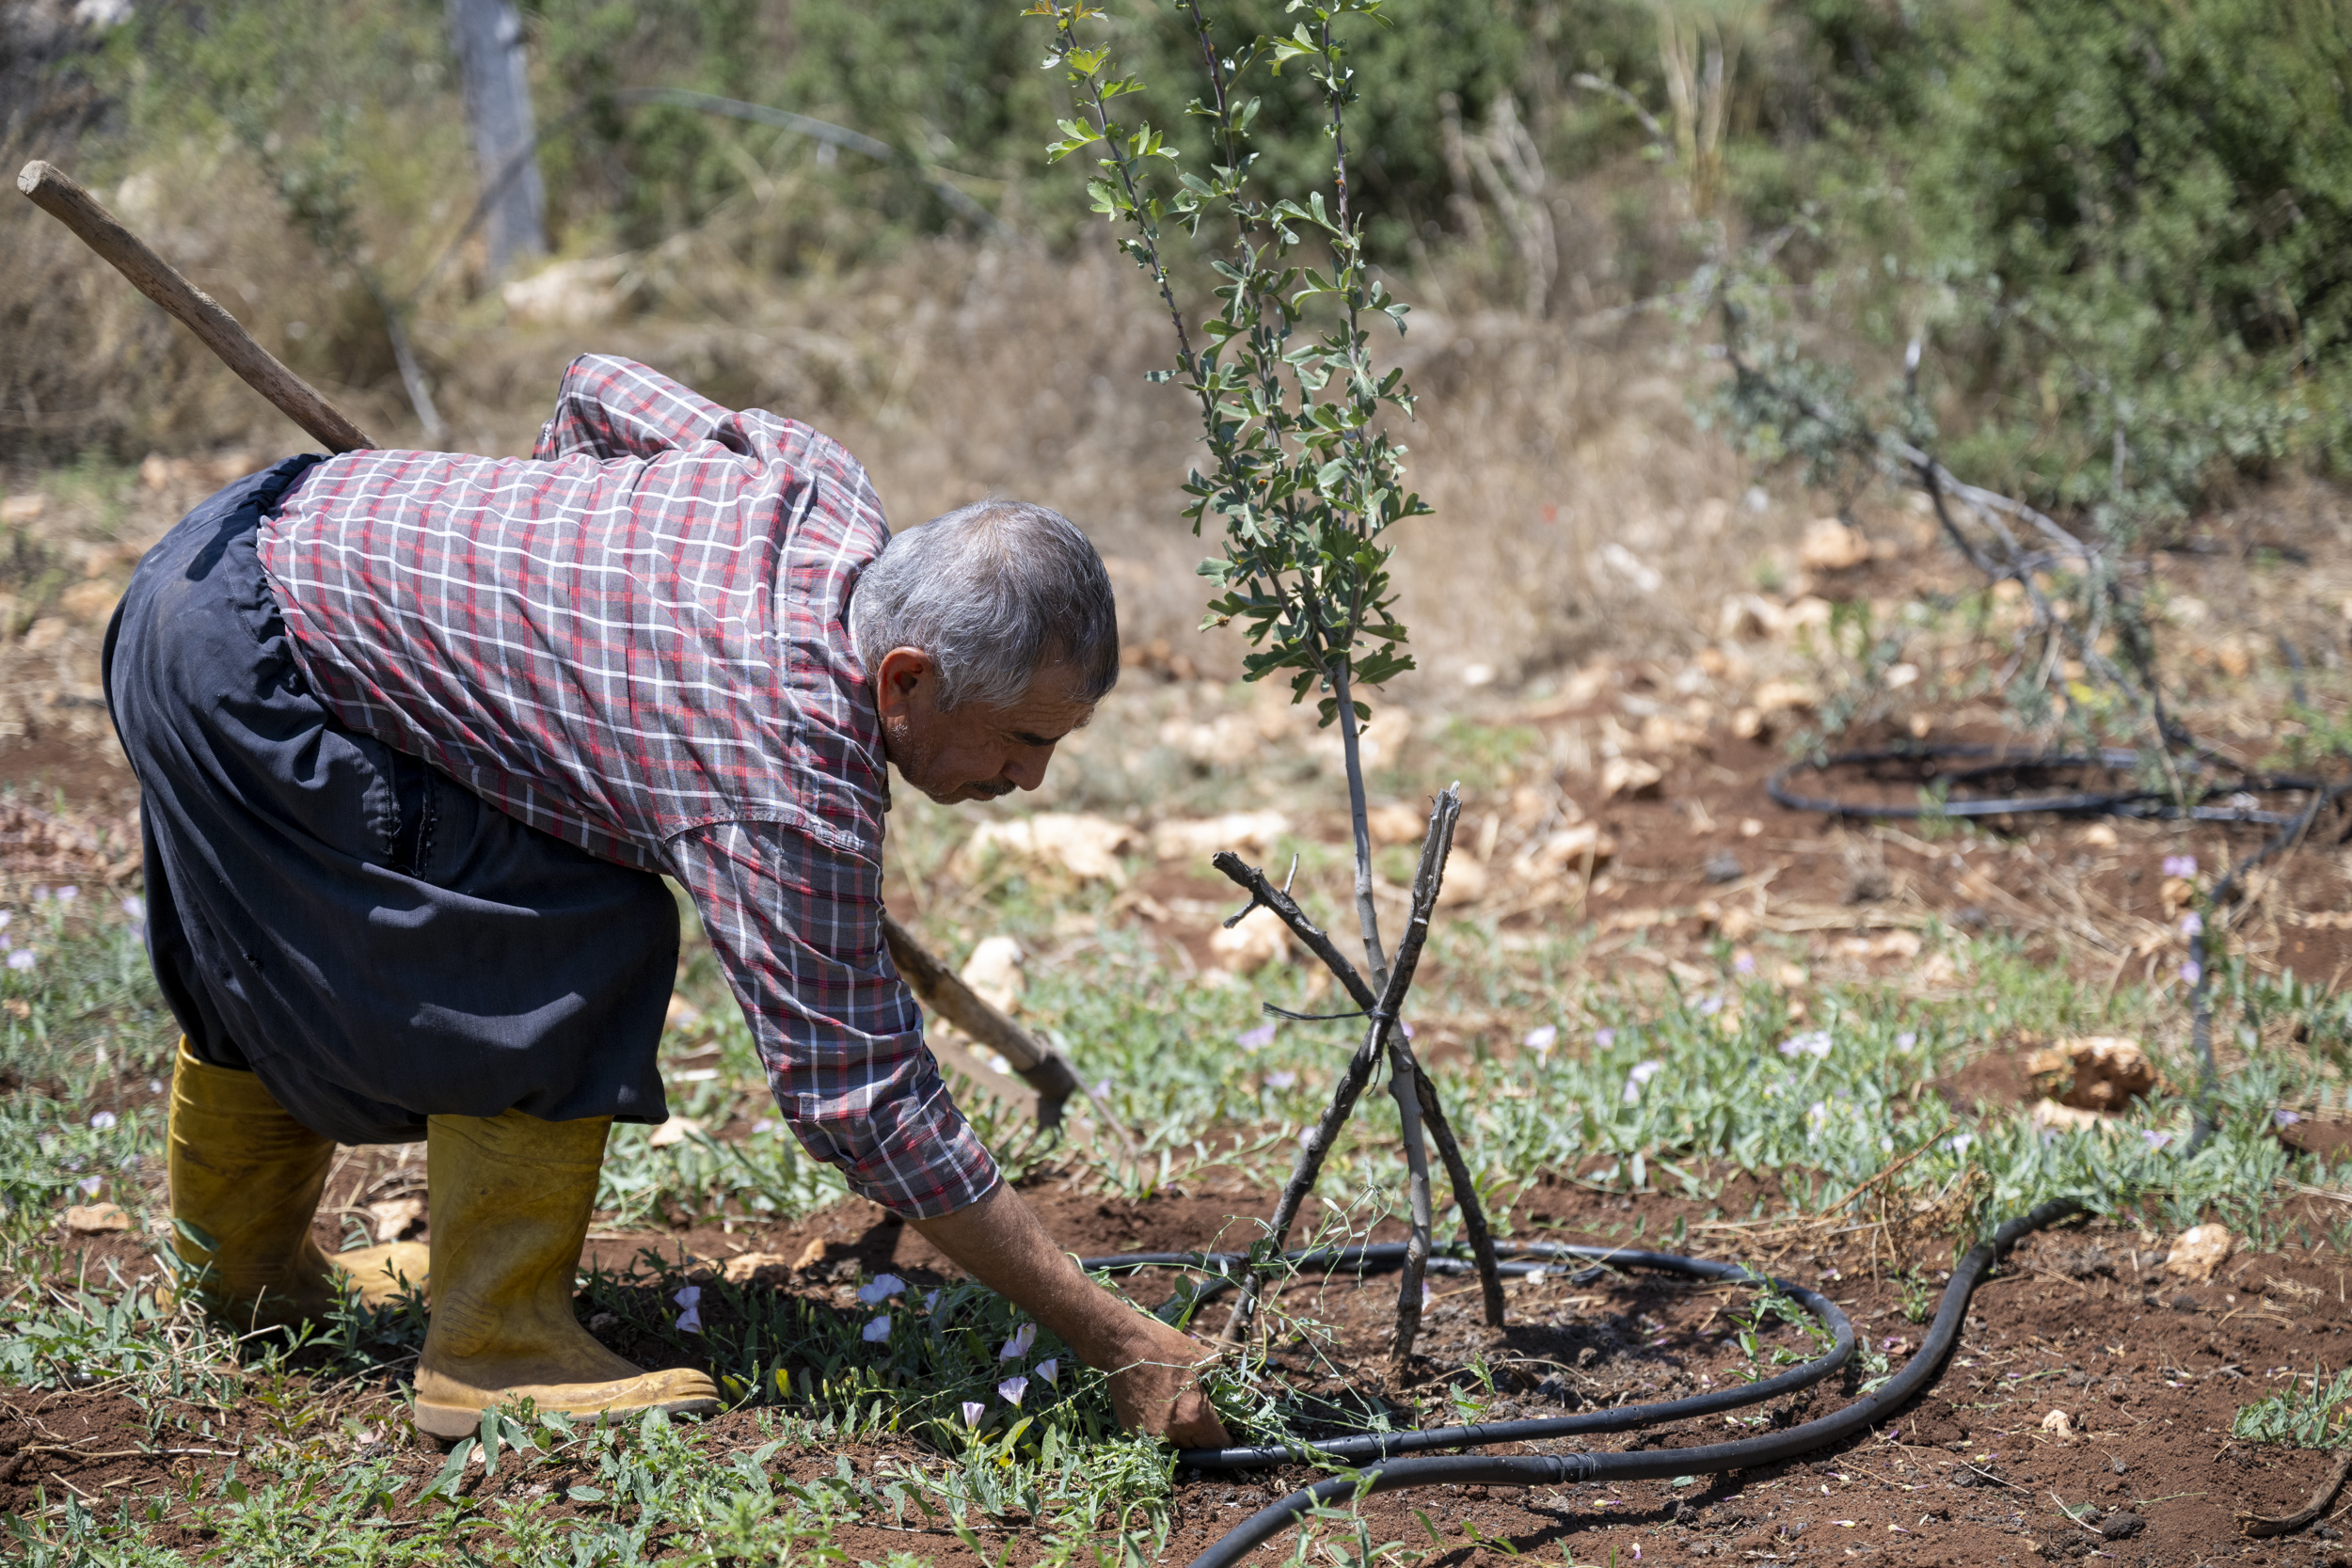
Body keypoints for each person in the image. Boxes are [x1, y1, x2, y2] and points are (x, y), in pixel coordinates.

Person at [104, 354, 1231, 1448]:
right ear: (904, 678)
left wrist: (541, 592)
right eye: (1025, 739)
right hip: (255, 660)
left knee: (267, 929)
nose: (1031, 777)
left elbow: (600, 386)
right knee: (583, 927)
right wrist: (1110, 1332)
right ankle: (492, 1345)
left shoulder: (815, 484)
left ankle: (250, 1284)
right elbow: (860, 1097)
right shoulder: (786, 782)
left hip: (216, 552)